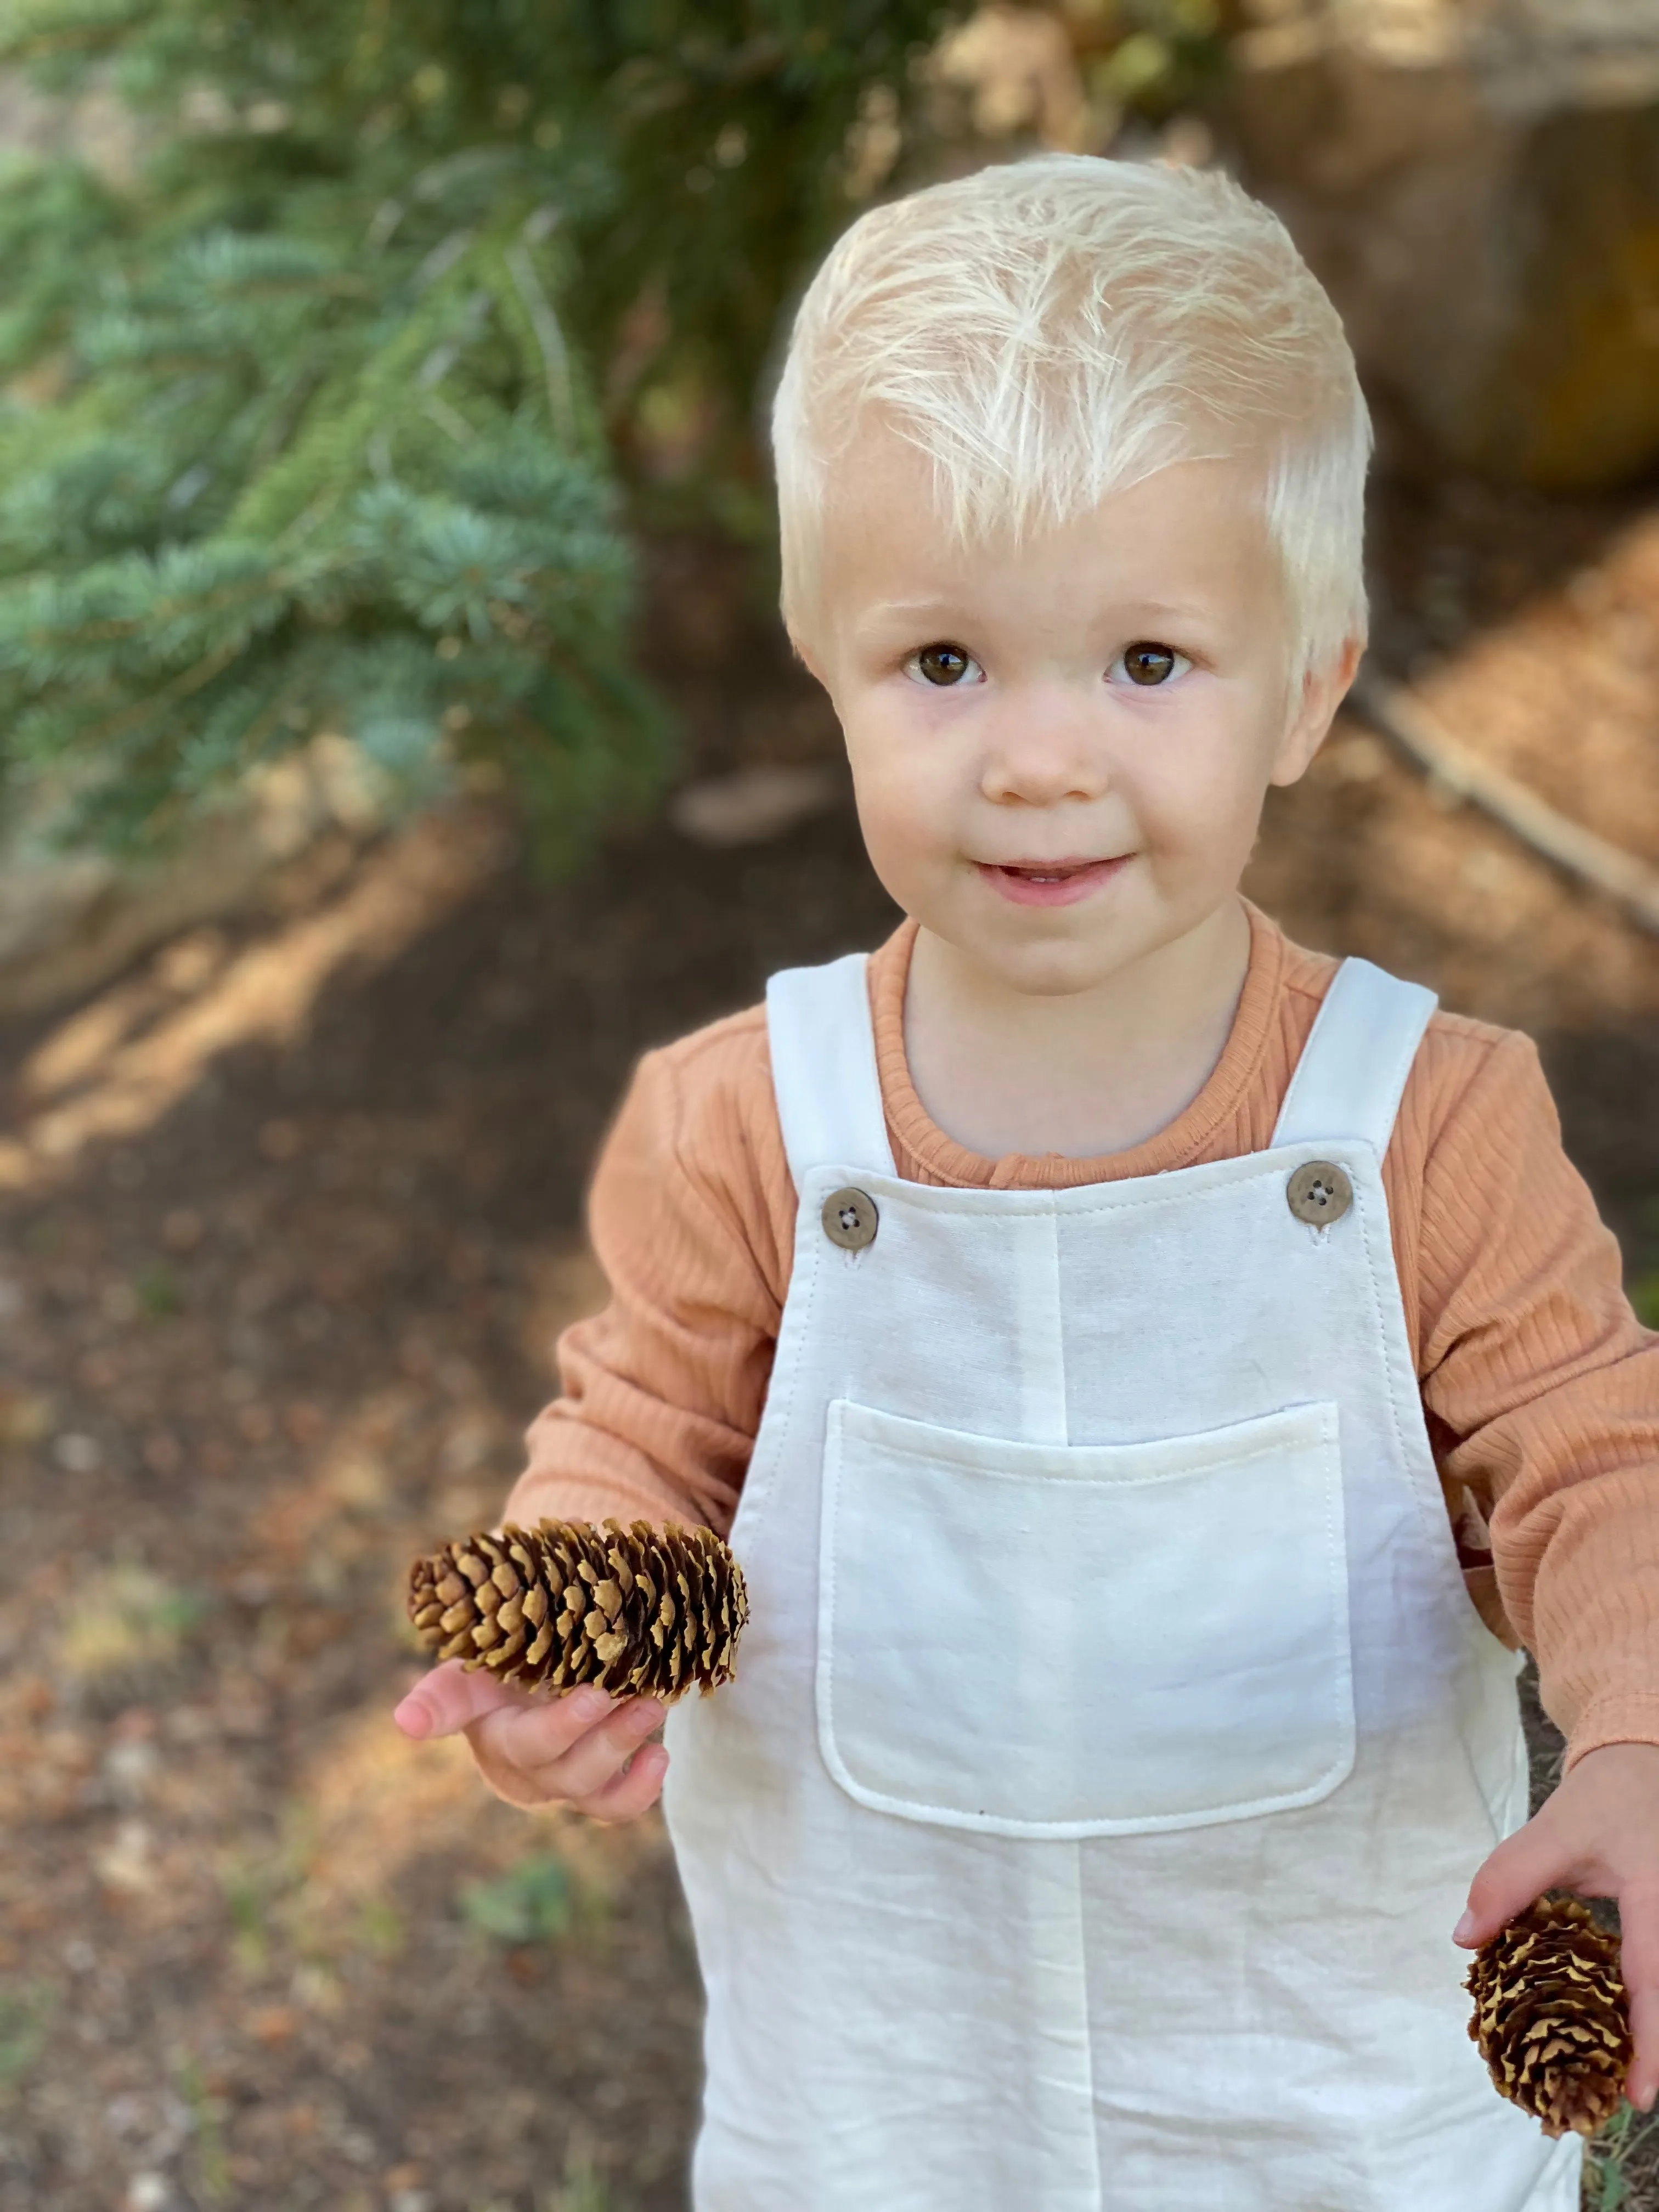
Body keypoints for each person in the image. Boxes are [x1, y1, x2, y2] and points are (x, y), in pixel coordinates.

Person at [394, 154, 1659, 2208]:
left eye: (1147, 662)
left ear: (1311, 688)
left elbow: (1600, 1463)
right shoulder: (753, 1120)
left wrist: (1638, 1743)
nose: (1040, 758)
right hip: (890, 2095)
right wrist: (572, 1622)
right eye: (948, 664)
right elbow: (641, 1435)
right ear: (831, 667)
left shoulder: (1424, 1122)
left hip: (1319, 2103)